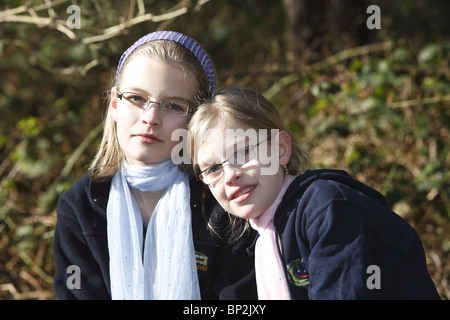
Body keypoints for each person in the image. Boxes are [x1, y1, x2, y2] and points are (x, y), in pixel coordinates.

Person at [53, 32, 257, 300]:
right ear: (115, 104)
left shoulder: (224, 199)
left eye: (173, 105)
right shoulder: (80, 207)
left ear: (196, 120)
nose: (151, 118)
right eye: (137, 98)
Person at [187, 86, 440, 300]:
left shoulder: (328, 208)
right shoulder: (259, 239)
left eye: (243, 153)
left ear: (280, 149)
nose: (231, 175)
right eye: (213, 168)